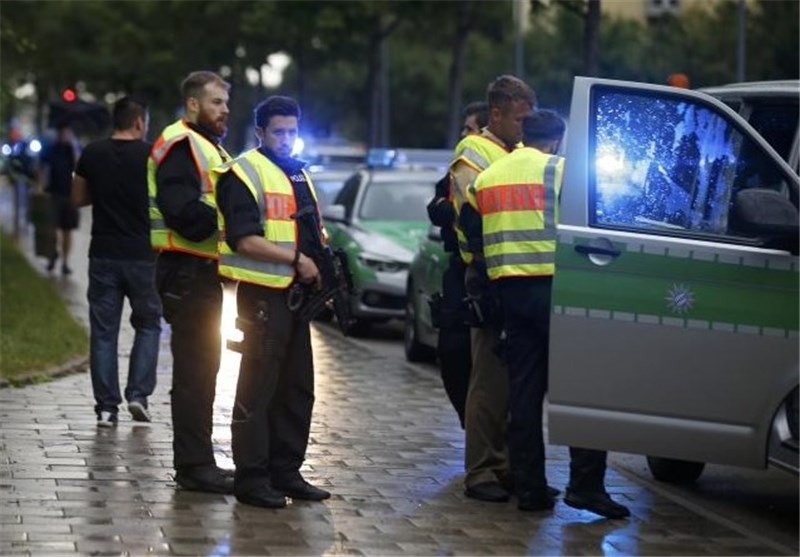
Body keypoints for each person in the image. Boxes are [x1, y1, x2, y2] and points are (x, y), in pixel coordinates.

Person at [469, 110, 630, 518]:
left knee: (523, 395)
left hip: (510, 294)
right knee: (584, 388)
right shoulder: (562, 172)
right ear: (557, 140)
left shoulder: (489, 177)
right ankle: (586, 486)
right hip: (559, 289)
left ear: (524, 133)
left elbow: (474, 226)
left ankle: (530, 490)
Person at [214, 95, 331, 509]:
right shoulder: (242, 173)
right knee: (258, 388)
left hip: (297, 298)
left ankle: (287, 471)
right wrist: (297, 261)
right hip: (263, 297)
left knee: (297, 388)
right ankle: (252, 477)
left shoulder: (299, 173)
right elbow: (244, 239)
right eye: (278, 132)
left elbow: (309, 231)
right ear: (260, 132)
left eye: (293, 131)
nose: (286, 139)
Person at [452, 75, 537, 503]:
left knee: (514, 380)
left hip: (519, 275)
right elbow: (474, 217)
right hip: (487, 274)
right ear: (497, 113)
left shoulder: (517, 152)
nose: (524, 127)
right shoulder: (474, 152)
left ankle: (506, 466)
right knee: (488, 379)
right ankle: (482, 470)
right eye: (519, 119)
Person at [148, 71, 233, 494]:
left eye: (226, 104)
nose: (225, 111)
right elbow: (182, 211)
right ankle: (195, 467)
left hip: (198, 272)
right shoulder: (182, 145)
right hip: (186, 271)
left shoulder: (206, 146)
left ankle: (199, 462)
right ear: (194, 104)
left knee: (203, 371)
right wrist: (232, 220)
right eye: (216, 102)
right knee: (196, 374)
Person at [71, 96, 161, 428]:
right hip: (144, 256)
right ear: (139, 122)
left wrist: (105, 192)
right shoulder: (153, 155)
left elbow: (78, 198)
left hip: (103, 254)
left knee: (104, 333)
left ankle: (107, 408)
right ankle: (138, 396)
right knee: (149, 325)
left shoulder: (92, 153)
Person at [426, 100, 489, 428]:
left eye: (469, 128)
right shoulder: (457, 169)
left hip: (484, 271)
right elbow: (437, 204)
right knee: (451, 353)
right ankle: (471, 425)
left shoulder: (492, 168)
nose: (463, 135)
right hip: (458, 268)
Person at [40, 124, 80, 274]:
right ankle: (52, 256)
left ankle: (65, 262)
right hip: (54, 194)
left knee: (67, 230)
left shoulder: (74, 148)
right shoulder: (51, 147)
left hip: (70, 195)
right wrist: (40, 187)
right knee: (51, 229)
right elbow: (42, 167)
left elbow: (80, 166)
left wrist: (74, 147)